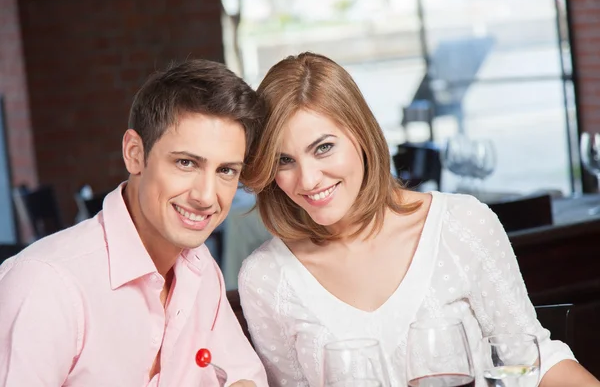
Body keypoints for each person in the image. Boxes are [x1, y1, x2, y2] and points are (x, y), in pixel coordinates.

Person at [238, 52, 600, 387]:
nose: (308, 179)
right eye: (284, 160)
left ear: (361, 136)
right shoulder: (266, 278)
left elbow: (535, 362)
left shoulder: (462, 224)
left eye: (324, 147)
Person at [0, 59, 268, 387]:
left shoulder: (201, 270)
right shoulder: (45, 286)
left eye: (226, 170)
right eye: (186, 163)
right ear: (134, 153)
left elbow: (245, 376)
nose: (206, 196)